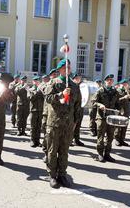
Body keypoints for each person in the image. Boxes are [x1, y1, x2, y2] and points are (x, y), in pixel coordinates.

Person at [44, 59, 82, 188]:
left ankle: (62, 174)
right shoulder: (53, 83)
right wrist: (61, 94)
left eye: (69, 67)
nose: (67, 70)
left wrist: (76, 122)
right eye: (64, 68)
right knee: (52, 150)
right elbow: (48, 98)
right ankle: (52, 175)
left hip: (68, 124)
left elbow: (78, 105)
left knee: (64, 150)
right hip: (54, 123)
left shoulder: (75, 86)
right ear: (59, 69)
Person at [92, 74, 120, 162]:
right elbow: (93, 102)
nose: (110, 81)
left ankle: (107, 154)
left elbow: (117, 104)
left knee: (110, 137)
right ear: (105, 81)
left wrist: (119, 110)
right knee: (100, 136)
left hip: (111, 117)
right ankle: (100, 154)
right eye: (108, 80)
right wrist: (100, 105)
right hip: (101, 117)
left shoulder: (115, 91)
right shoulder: (100, 90)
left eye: (111, 80)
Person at [40, 69, 57, 163]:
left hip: (56, 114)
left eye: (56, 74)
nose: (55, 76)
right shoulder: (46, 85)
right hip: (47, 113)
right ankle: (46, 153)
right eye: (53, 74)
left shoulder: (59, 85)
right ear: (50, 76)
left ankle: (52, 155)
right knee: (47, 135)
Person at [114, 79, 130, 147]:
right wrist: (124, 97)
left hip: (126, 110)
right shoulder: (117, 91)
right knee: (118, 125)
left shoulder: (127, 91)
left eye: (126, 84)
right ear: (120, 84)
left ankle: (122, 139)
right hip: (119, 110)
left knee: (125, 125)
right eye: (124, 84)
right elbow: (115, 100)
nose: (125, 85)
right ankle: (117, 139)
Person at [28, 76, 44, 147]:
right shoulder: (30, 89)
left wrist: (41, 91)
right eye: (35, 80)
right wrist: (37, 91)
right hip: (33, 110)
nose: (37, 81)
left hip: (40, 110)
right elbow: (31, 98)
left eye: (38, 80)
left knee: (39, 126)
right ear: (33, 82)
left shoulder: (41, 89)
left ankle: (37, 141)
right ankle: (32, 140)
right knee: (33, 126)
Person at [71, 73, 85, 146]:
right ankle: (69, 140)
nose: (78, 79)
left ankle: (76, 139)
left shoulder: (82, 87)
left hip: (80, 109)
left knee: (78, 125)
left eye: (79, 78)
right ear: (73, 79)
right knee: (71, 126)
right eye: (76, 78)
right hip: (72, 109)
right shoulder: (71, 87)